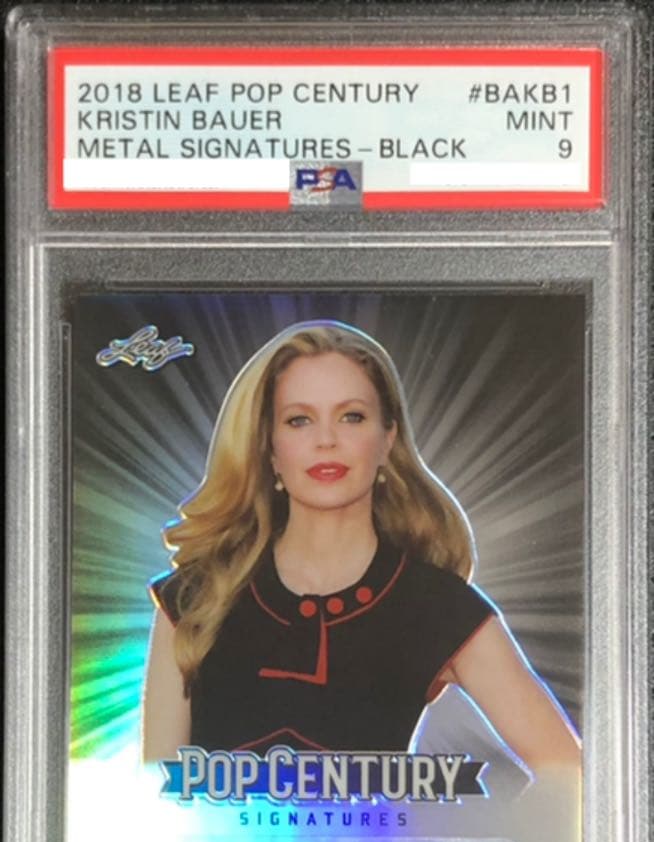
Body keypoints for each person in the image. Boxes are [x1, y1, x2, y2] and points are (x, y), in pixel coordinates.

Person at [142, 320, 581, 774]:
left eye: (351, 416)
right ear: (269, 447)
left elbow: (572, 775)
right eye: (299, 420)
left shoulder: (438, 607)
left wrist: (473, 825)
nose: (326, 440)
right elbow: (155, 796)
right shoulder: (196, 598)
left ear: (388, 439)